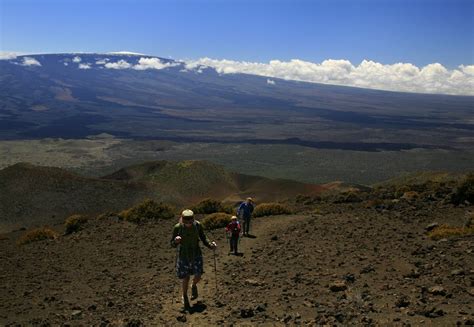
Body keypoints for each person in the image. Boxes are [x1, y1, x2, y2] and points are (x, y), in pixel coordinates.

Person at [171, 209, 217, 309]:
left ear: (193, 220)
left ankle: (194, 285)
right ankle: (185, 296)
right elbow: (172, 244)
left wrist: (210, 245)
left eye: (190, 222)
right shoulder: (178, 228)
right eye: (186, 222)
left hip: (196, 254)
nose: (188, 224)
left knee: (198, 274)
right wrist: (176, 241)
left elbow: (203, 237)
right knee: (185, 277)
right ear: (182, 220)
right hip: (184, 255)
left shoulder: (197, 226)